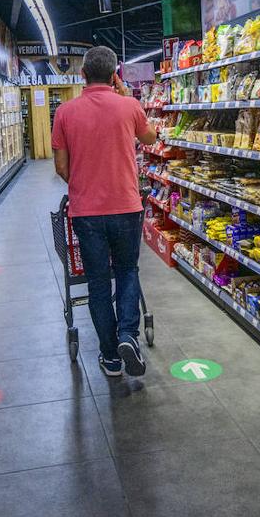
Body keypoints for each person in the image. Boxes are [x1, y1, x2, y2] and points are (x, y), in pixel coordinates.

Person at [52, 46, 157, 377]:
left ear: (82, 75)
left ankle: (110, 357)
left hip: (86, 213)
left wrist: (84, 185)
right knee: (127, 271)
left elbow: (60, 167)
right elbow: (150, 138)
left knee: (97, 282)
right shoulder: (130, 106)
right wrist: (126, 96)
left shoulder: (65, 112)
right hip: (126, 206)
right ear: (115, 76)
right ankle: (128, 336)